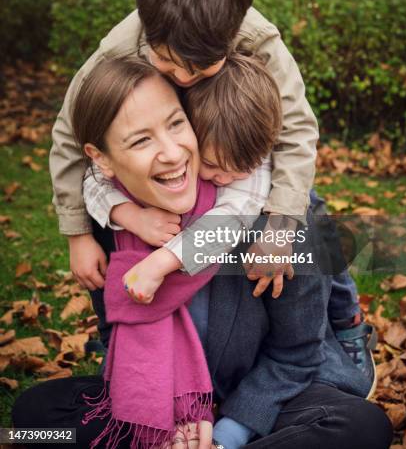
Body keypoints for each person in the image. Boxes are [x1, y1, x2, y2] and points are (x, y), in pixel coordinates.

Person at [13, 56, 392, 449]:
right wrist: (172, 422)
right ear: (102, 159)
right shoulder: (111, 228)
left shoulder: (277, 228)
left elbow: (295, 357)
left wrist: (226, 436)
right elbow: (118, 333)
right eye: (141, 140)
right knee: (29, 422)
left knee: (362, 427)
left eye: (176, 124)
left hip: (264, 399)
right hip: (162, 397)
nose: (173, 154)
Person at [49, 0, 370, 381]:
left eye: (199, 66)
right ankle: (116, 335)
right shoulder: (121, 46)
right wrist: (76, 233)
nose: (181, 75)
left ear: (231, 32)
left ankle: (346, 321)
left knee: (303, 209)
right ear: (147, 19)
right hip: (183, 142)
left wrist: (279, 224)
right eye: (167, 61)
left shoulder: (257, 39)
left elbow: (297, 131)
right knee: (106, 210)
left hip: (240, 139)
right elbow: (67, 132)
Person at [84, 52, 376, 387]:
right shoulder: (196, 122)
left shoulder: (251, 172)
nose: (224, 178)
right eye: (214, 166)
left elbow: (227, 222)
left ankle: (347, 318)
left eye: (239, 169)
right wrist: (129, 215)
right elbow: (91, 181)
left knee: (308, 214)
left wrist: (162, 262)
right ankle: (128, 346)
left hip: (280, 230)